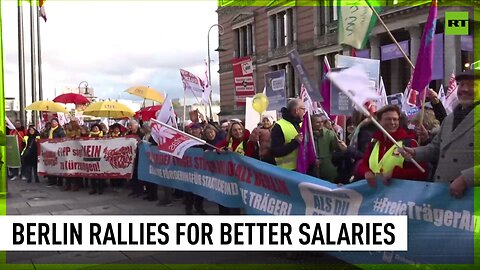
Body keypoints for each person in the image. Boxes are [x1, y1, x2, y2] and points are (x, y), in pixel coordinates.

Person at [403, 70, 479, 198]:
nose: (465, 89)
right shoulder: (449, 119)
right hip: (443, 192)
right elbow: (435, 148)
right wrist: (415, 152)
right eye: (461, 84)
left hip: (472, 195)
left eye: (472, 85)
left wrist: (466, 178)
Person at [357, 105, 428, 187]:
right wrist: (366, 172)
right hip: (375, 195)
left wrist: (394, 174)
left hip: (398, 195)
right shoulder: (375, 142)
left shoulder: (409, 143)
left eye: (395, 119)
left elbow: (422, 172)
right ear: (379, 121)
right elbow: (363, 164)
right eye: (388, 119)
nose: (392, 122)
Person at [310, 115, 347, 183]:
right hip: (313, 168)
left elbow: (336, 148)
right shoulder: (308, 135)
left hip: (327, 167)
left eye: (322, 122)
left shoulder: (329, 133)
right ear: (311, 123)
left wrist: (338, 141)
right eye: (318, 122)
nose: (321, 124)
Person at [270, 99, 305, 171]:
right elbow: (275, 151)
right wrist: (295, 142)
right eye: (303, 109)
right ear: (297, 110)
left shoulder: (301, 124)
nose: (304, 112)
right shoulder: (279, 126)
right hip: (286, 171)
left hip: (302, 167)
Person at [184, 123, 207, 214]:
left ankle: (199, 207)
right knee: (189, 190)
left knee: (200, 190)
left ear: (200, 129)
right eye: (192, 130)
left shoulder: (204, 140)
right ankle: (188, 207)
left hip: (201, 169)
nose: (194, 131)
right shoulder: (187, 140)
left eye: (196, 129)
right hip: (189, 168)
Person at [46, 118, 66, 186]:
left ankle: (59, 181)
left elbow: (63, 139)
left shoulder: (60, 130)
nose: (53, 123)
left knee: (58, 165)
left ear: (57, 123)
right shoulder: (49, 130)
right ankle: (51, 180)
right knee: (51, 164)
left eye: (54, 121)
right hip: (49, 149)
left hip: (57, 149)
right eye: (52, 122)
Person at [88, 124, 105, 194]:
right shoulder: (89, 135)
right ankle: (93, 188)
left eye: (96, 127)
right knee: (93, 173)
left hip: (101, 155)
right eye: (94, 127)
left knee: (100, 173)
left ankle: (100, 188)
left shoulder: (103, 135)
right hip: (92, 156)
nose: (95, 129)